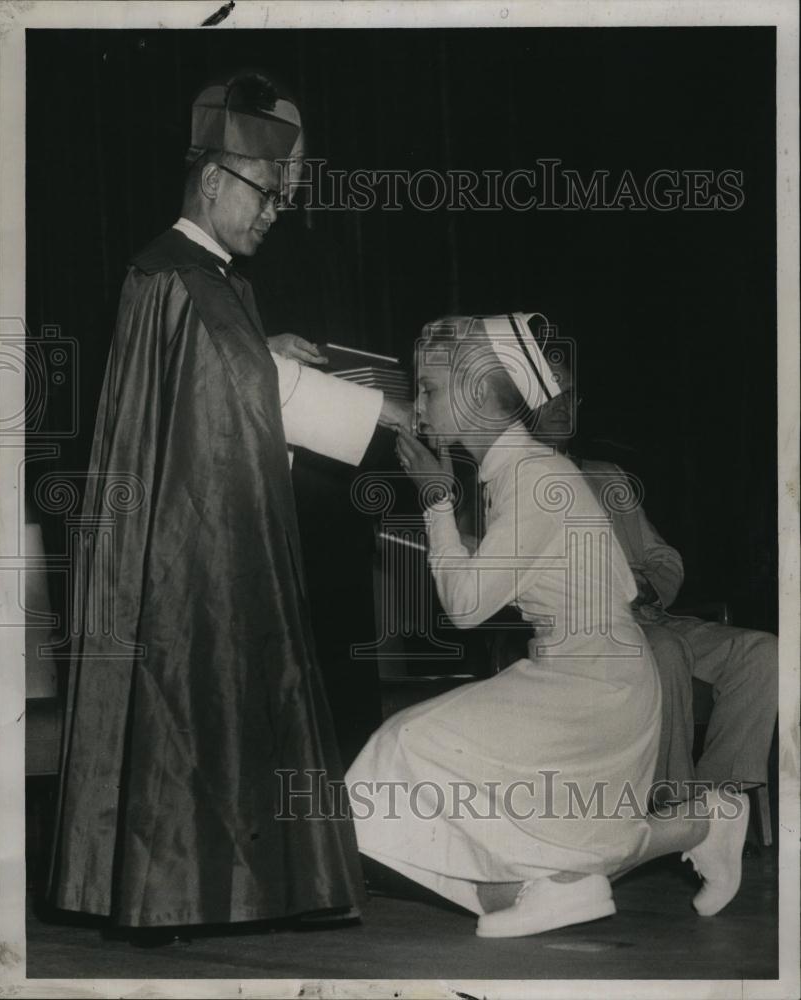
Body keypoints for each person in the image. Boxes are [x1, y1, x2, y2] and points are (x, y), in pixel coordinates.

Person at [49, 70, 410, 936]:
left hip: (204, 525)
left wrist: (260, 344)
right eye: (264, 192)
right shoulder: (176, 277)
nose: (275, 211)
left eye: (281, 195)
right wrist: (376, 409)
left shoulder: (203, 280)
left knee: (231, 691)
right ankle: (169, 894)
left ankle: (253, 887)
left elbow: (230, 374)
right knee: (193, 689)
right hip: (187, 539)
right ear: (213, 181)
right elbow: (243, 388)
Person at [345, 313, 750, 938]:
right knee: (424, 763)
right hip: (580, 673)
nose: (417, 404)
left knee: (405, 748)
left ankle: (672, 836)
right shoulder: (517, 473)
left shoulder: (537, 479)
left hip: (597, 686)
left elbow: (465, 606)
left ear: (477, 395)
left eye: (428, 388)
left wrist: (434, 500)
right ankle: (663, 839)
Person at [528, 384, 778, 801]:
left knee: (763, 653)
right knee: (664, 651)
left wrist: (649, 587)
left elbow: (663, 557)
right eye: (548, 392)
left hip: (650, 618)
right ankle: (670, 804)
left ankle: (716, 802)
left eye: (571, 395)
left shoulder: (608, 475)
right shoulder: (507, 482)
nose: (562, 405)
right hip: (581, 631)